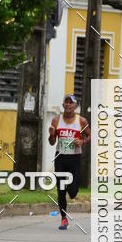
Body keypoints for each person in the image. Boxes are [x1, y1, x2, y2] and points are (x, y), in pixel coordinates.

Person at [48, 94, 90, 230]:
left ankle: (70, 191)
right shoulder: (56, 120)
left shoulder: (81, 121)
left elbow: (90, 135)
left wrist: (82, 141)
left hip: (74, 158)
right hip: (60, 157)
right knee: (60, 190)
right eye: (65, 102)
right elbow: (52, 142)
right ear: (63, 105)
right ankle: (64, 218)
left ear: (75, 106)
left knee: (72, 192)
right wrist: (51, 134)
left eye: (70, 103)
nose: (67, 105)